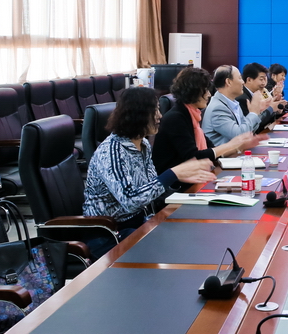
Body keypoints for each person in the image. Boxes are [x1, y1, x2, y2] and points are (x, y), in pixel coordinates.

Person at [83, 87, 216, 256]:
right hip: (110, 233)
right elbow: (130, 200)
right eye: (155, 111)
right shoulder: (112, 151)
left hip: (138, 223)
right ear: (138, 114)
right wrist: (172, 174)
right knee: (174, 249)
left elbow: (151, 188)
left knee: (192, 233)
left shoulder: (143, 144)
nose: (160, 116)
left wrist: (183, 186)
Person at [153, 67, 260, 189]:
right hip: (174, 187)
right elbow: (193, 156)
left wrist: (239, 146)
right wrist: (231, 145)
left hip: (193, 179)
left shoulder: (192, 114)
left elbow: (211, 149)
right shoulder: (176, 118)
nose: (209, 94)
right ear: (194, 91)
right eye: (206, 90)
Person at [202, 65, 270, 146]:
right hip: (226, 153)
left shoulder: (233, 102)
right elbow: (239, 135)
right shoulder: (217, 108)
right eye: (240, 78)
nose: (243, 82)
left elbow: (248, 129)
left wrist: (257, 113)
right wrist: (253, 113)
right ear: (228, 82)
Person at [236, 62, 286, 131]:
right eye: (261, 79)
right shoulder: (242, 98)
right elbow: (253, 127)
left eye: (265, 79)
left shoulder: (263, 92)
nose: (264, 83)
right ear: (249, 80)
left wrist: (276, 109)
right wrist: (270, 108)